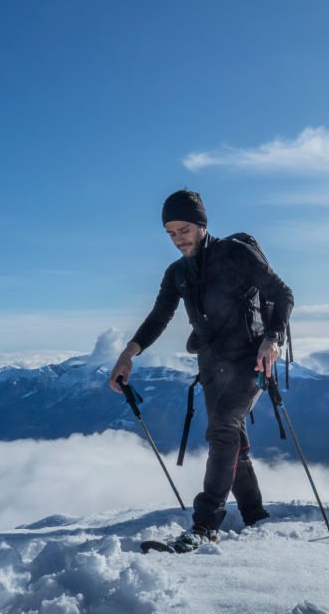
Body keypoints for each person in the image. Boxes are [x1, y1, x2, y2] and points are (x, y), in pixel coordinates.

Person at [109, 189, 293, 551]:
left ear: (201, 224)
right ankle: (255, 515)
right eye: (171, 233)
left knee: (224, 427)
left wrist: (272, 338)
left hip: (252, 358)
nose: (179, 239)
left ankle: (205, 524)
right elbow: (159, 316)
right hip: (211, 363)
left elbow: (283, 292)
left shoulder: (236, 254)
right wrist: (128, 353)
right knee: (231, 438)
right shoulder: (177, 273)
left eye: (184, 230)